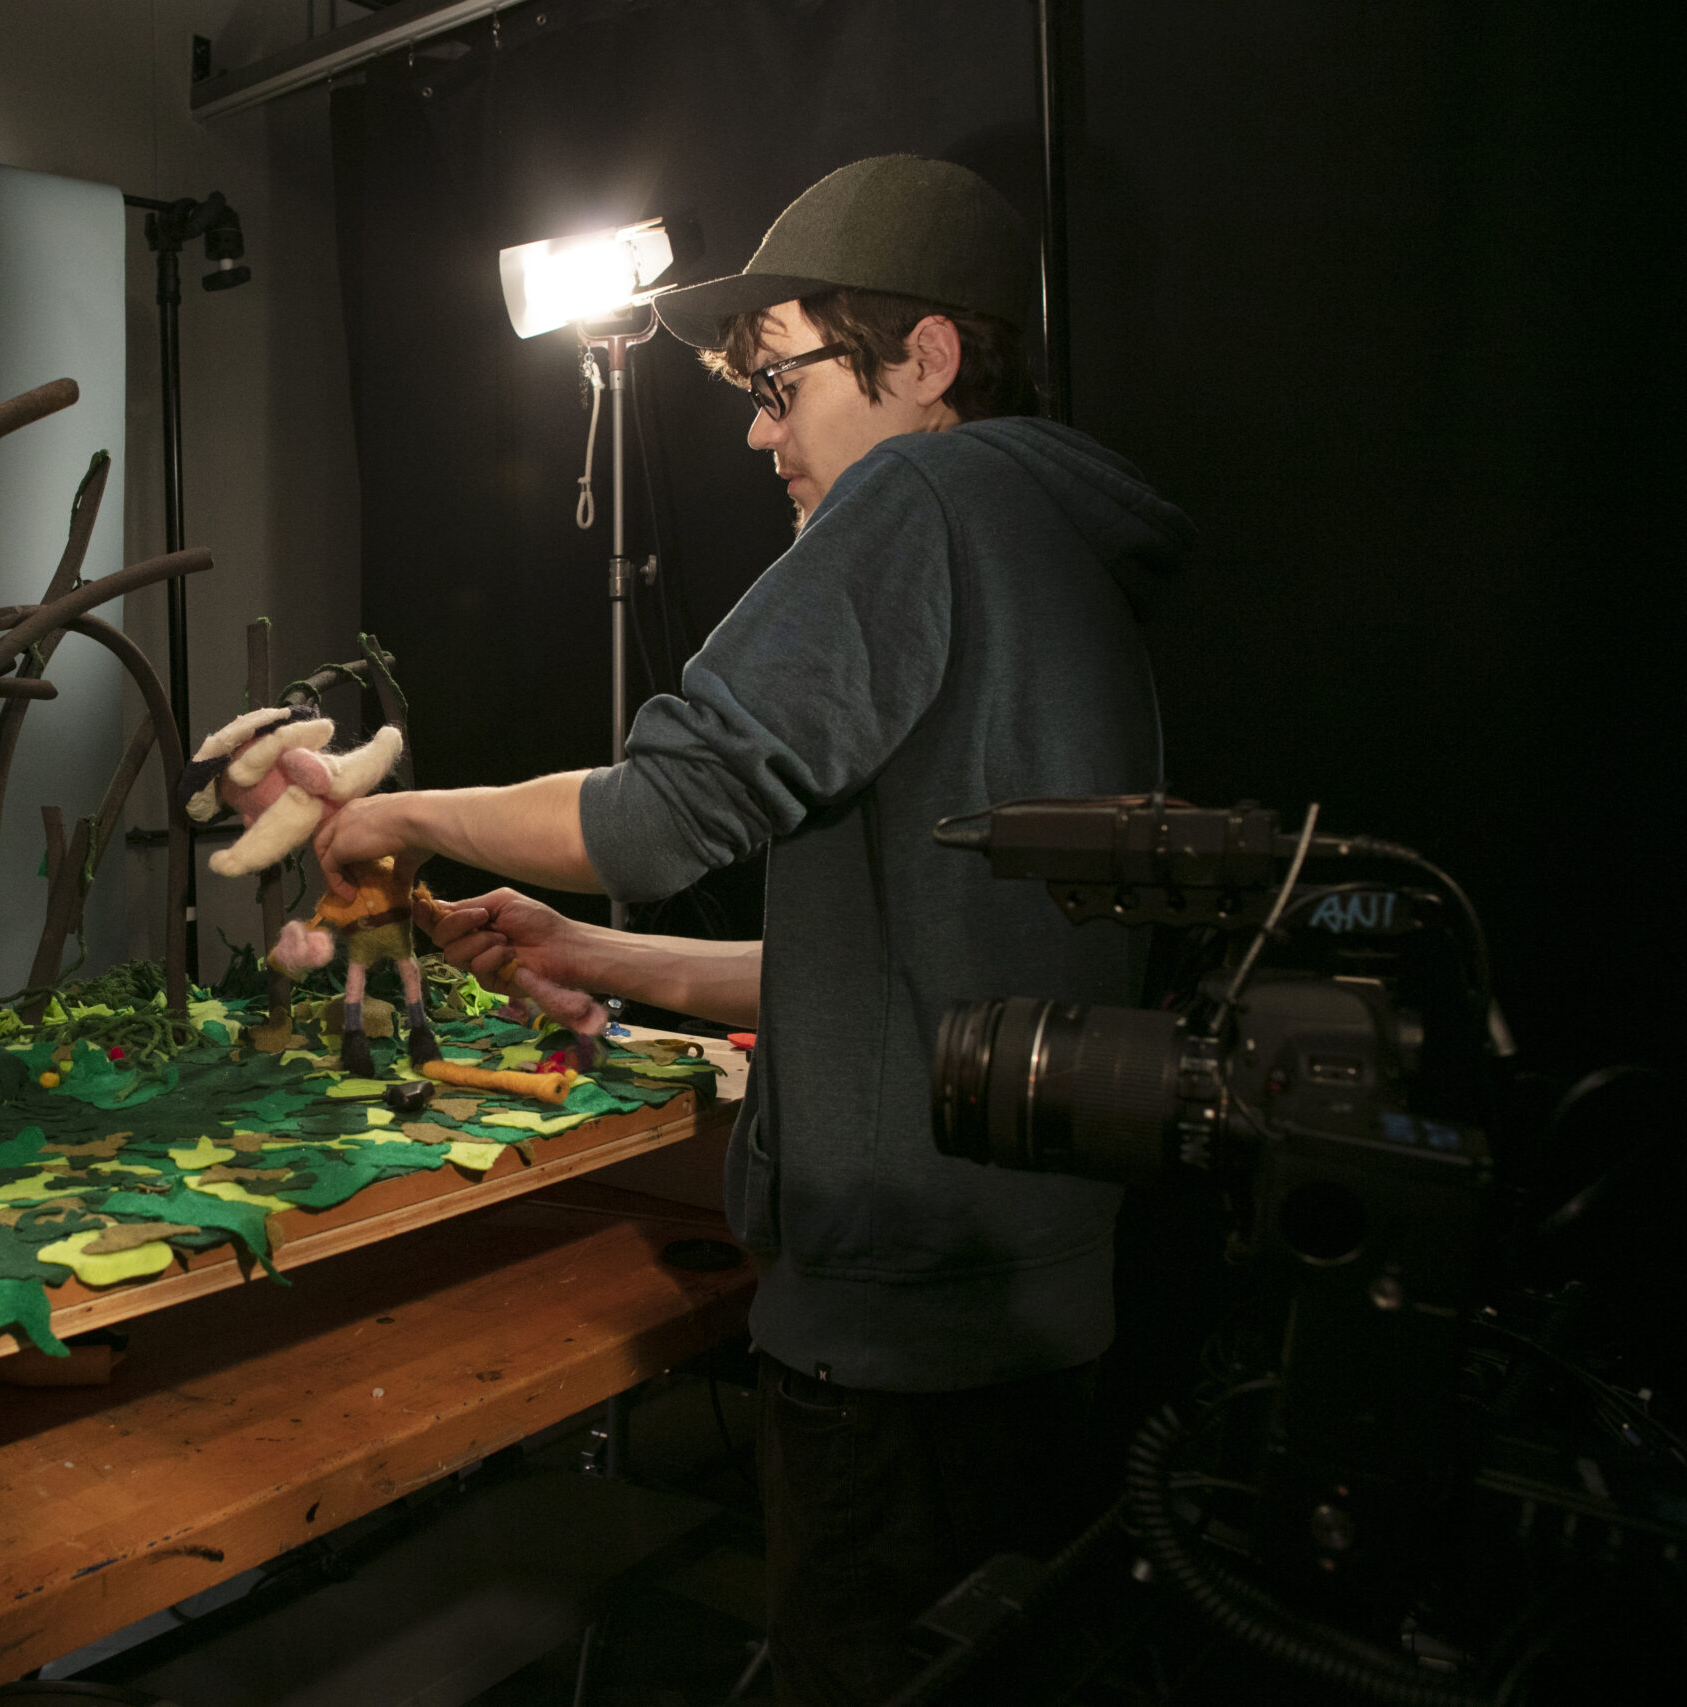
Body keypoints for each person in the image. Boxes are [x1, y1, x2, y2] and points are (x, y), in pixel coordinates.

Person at [315, 154, 1197, 1704]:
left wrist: (399, 816)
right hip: (1053, 1322)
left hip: (899, 1354)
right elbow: (912, 962)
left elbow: (656, 819)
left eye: (782, 381)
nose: (757, 429)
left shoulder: (923, 495)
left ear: (925, 361)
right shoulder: (1065, 555)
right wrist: (593, 955)